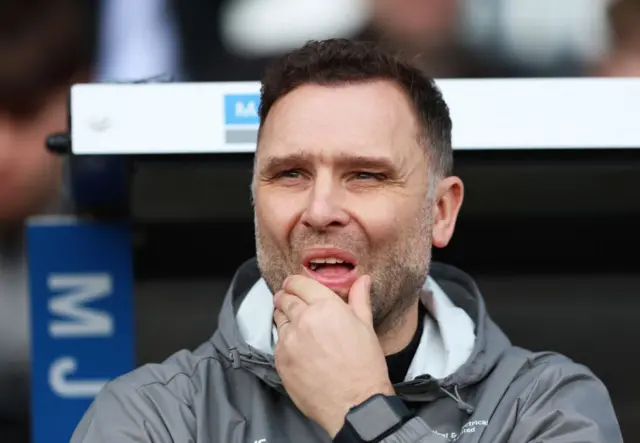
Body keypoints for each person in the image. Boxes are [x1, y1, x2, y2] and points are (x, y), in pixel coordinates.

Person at [70, 39, 622, 443]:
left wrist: (364, 411)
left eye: (365, 175)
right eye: (290, 174)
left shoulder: (546, 405)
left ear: (441, 211)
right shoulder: (152, 415)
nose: (320, 210)